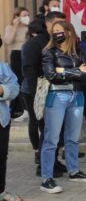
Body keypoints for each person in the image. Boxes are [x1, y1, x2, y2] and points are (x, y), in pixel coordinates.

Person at [40, 21, 86, 194]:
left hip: (77, 95)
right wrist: (76, 71)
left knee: (73, 137)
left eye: (59, 30)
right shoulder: (49, 52)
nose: (56, 34)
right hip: (57, 96)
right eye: (54, 31)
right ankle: (46, 178)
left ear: (68, 32)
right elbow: (51, 76)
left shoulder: (78, 50)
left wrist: (63, 71)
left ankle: (74, 170)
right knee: (52, 139)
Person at [21, 12, 67, 175]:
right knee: (47, 129)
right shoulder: (34, 44)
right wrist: (38, 96)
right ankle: (44, 166)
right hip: (36, 92)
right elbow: (29, 70)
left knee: (55, 129)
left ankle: (54, 161)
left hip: (55, 90)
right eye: (59, 23)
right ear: (49, 25)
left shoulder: (58, 41)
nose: (63, 27)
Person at [0, 35, 23, 201]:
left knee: (1, 156)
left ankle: (0, 191)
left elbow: (15, 88)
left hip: (1, 120)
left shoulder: (3, 67)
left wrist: (2, 90)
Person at [4, 6, 30, 120]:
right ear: (17, 16)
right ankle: (17, 110)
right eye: (24, 15)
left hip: (27, 55)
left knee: (26, 80)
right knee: (17, 80)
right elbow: (8, 41)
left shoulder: (29, 28)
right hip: (16, 55)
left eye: (27, 15)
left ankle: (26, 109)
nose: (27, 17)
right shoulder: (10, 27)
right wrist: (15, 26)